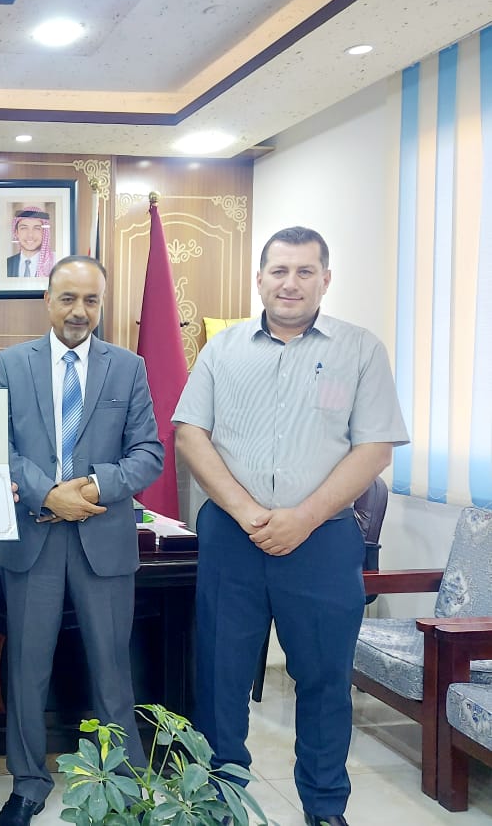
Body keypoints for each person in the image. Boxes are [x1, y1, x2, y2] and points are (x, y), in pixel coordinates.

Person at [172, 226, 409, 826]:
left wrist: (303, 518)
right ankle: (221, 802)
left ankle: (325, 806)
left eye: (305, 271)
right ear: (260, 279)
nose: (291, 283)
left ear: (325, 279)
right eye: (279, 271)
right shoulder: (222, 350)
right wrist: (247, 512)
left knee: (325, 680)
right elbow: (191, 435)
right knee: (221, 677)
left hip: (323, 541)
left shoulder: (360, 350)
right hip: (233, 537)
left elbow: (375, 448)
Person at [0, 255, 163, 826]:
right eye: (68, 298)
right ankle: (28, 783)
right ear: (47, 299)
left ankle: (122, 780)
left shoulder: (128, 368)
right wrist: (48, 494)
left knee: (112, 668)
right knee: (27, 669)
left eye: (91, 300)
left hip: (102, 536)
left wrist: (91, 486)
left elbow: (149, 453)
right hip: (34, 536)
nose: (79, 311)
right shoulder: (11, 365)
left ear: (101, 303)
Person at [5, 206, 55, 278]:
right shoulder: (6, 264)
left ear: (44, 233)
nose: (30, 235)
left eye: (37, 228)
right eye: (24, 228)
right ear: (16, 233)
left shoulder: (54, 263)